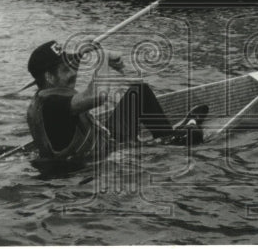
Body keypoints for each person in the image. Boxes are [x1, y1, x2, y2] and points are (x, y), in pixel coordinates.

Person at [25, 40, 206, 166]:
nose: (73, 72)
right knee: (194, 135)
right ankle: (178, 137)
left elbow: (69, 72)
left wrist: (82, 53)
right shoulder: (52, 105)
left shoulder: (47, 94)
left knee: (139, 92)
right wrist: (103, 58)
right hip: (100, 160)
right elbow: (98, 95)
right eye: (66, 69)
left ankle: (167, 136)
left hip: (105, 140)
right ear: (49, 76)